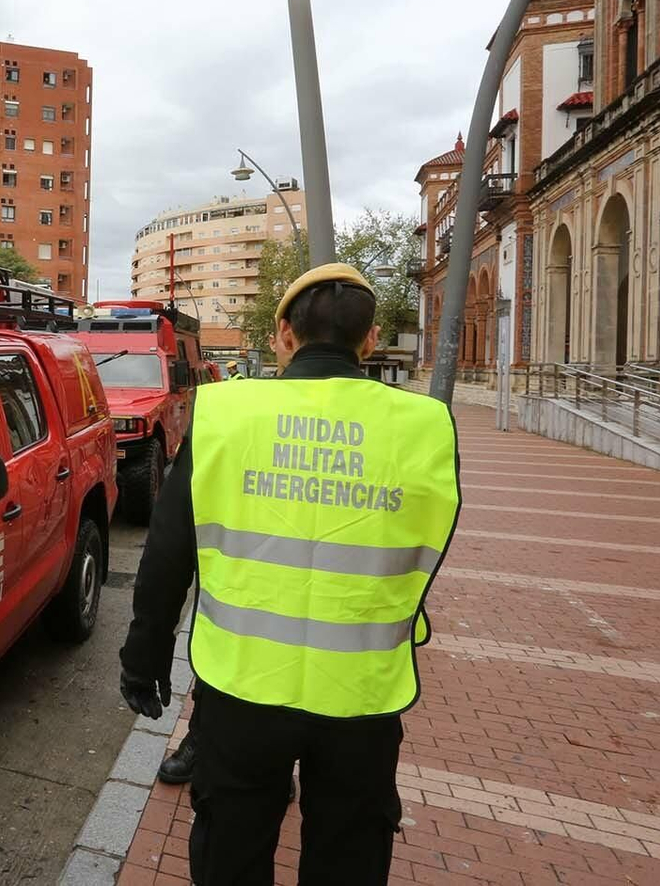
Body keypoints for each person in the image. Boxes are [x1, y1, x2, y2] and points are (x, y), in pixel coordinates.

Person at [119, 263, 460, 885]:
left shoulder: (227, 412)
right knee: (349, 855)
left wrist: (143, 659)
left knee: (232, 851)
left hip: (242, 688)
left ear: (281, 333)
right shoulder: (424, 425)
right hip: (362, 696)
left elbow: (168, 553)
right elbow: (426, 548)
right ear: (370, 338)